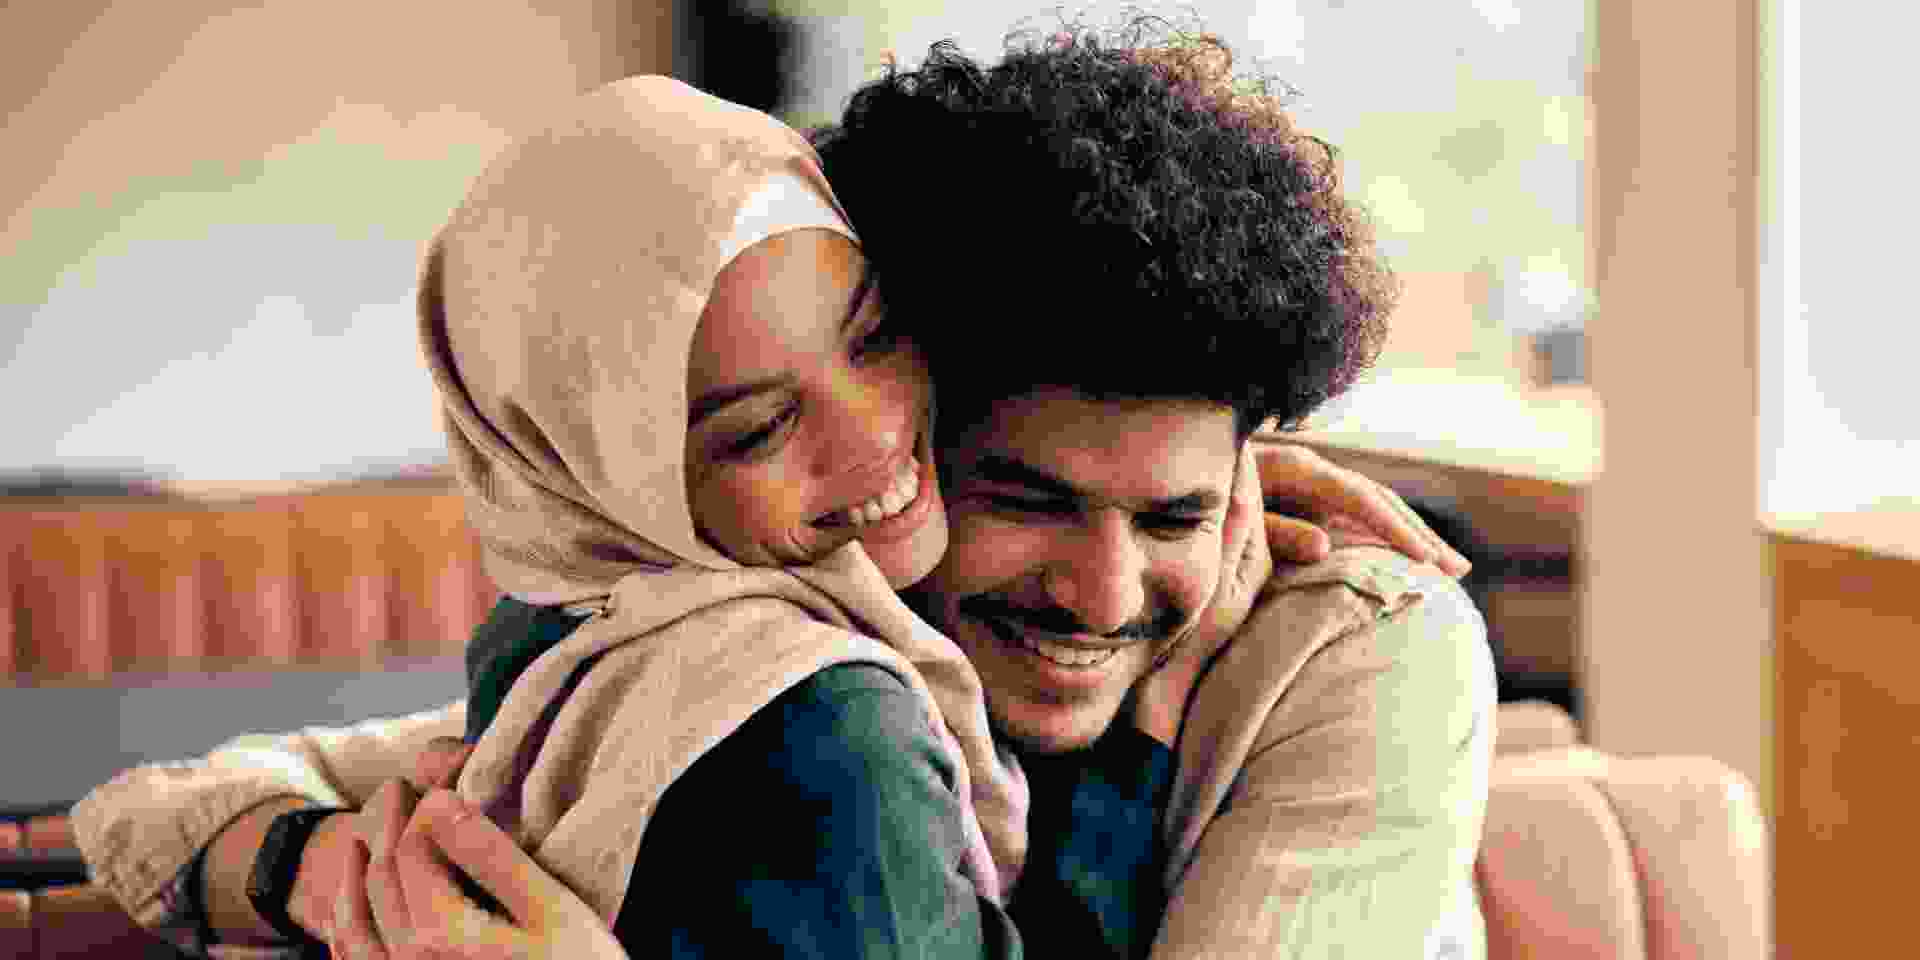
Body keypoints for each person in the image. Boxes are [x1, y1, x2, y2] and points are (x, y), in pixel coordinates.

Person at [72, 22, 1492, 960]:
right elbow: (161, 806)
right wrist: (332, 869)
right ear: (929, 453)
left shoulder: (1365, 651)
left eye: (1173, 513)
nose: (1104, 595)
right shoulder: (778, 663)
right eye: (1030, 500)